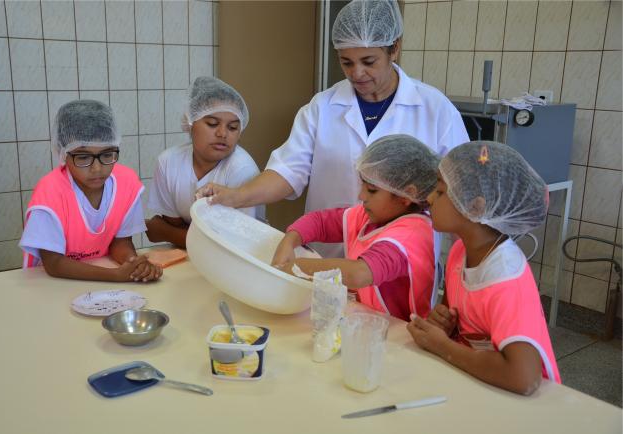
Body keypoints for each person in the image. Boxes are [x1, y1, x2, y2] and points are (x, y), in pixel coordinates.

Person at [197, 0, 468, 258]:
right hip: (326, 261)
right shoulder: (323, 107)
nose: (356, 73)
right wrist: (236, 196)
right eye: (346, 62)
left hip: (402, 266)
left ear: (394, 48)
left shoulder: (436, 110)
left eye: (368, 62)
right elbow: (287, 172)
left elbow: (460, 194)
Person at [407, 141, 560, 395]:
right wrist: (443, 323)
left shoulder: (505, 277)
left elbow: (524, 378)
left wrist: (443, 346)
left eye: (441, 191)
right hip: (483, 387)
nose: (429, 197)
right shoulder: (461, 251)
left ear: (475, 207)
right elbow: (457, 319)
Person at [272, 135, 438, 321]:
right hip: (368, 322)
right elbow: (321, 222)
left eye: (372, 190)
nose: (361, 195)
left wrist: (298, 267)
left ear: (407, 194)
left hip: (401, 337)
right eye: (363, 186)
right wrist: (290, 240)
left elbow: (360, 273)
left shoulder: (413, 234)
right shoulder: (371, 216)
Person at [19, 100, 162, 283]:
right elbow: (53, 263)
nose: (97, 168)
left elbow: (120, 242)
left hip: (99, 280)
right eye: (84, 157)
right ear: (64, 154)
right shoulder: (50, 192)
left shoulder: (126, 184)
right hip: (49, 285)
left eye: (107, 155)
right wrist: (115, 275)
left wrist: (133, 265)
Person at [145, 76, 263, 248]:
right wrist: (179, 233)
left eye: (232, 127)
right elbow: (174, 223)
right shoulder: (168, 162)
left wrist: (166, 233)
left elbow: (234, 245)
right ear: (190, 123)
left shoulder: (242, 169)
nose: (223, 133)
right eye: (213, 123)